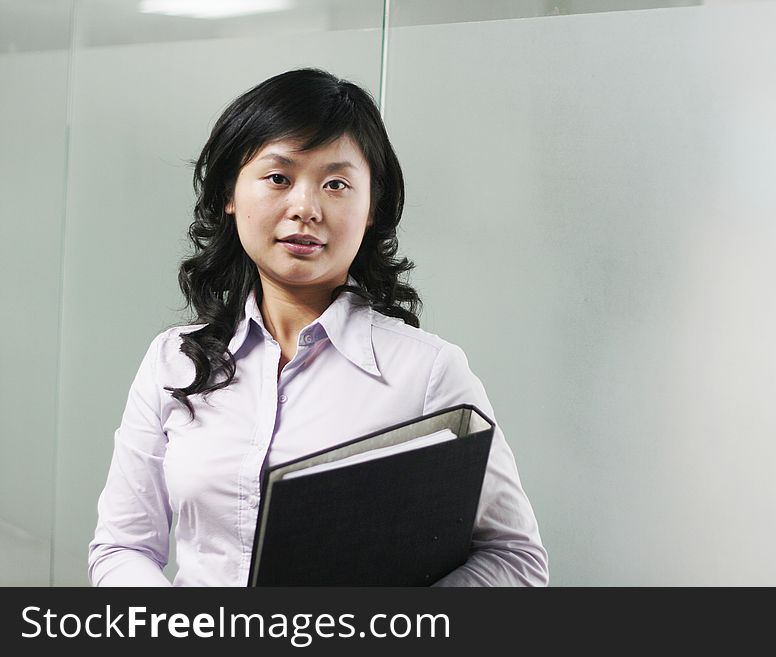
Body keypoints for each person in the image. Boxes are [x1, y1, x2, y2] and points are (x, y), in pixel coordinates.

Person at [88, 68, 548, 586]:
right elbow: (121, 547)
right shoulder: (175, 360)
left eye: (336, 184)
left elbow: (514, 560)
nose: (305, 208)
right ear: (229, 195)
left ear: (371, 207)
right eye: (278, 178)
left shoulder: (428, 372)